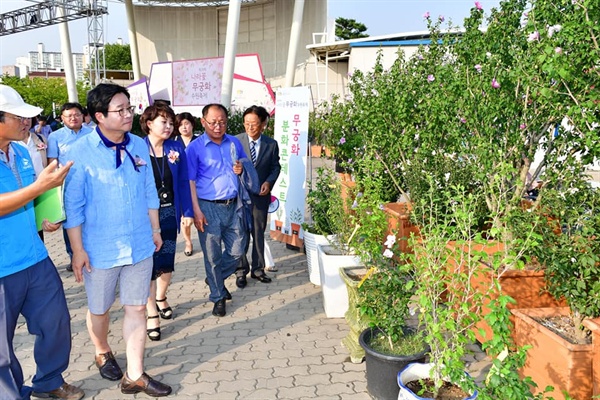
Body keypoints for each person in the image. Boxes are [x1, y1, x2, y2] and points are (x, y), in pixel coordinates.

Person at [63, 83, 171, 397]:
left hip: (139, 242)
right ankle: (101, 349)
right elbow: (74, 206)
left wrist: (154, 230)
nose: (128, 115)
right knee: (100, 309)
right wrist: (78, 251)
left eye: (129, 108)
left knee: (137, 308)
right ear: (99, 116)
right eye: (119, 110)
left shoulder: (138, 145)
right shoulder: (79, 152)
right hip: (99, 248)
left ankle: (134, 374)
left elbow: (149, 189)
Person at [0, 84, 83, 400]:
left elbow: (28, 196)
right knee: (1, 349)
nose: (27, 123)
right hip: (2, 267)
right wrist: (39, 189)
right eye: (18, 117)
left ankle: (49, 381)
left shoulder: (21, 151)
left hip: (34, 257)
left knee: (56, 322)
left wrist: (44, 217)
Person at [186, 104, 249, 317]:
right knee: (212, 255)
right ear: (203, 122)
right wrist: (196, 210)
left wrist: (241, 169)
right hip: (207, 207)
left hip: (233, 204)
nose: (218, 126)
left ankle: (215, 277)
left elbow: (243, 166)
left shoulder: (234, 142)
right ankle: (218, 296)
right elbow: (190, 181)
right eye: (213, 122)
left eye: (222, 121)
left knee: (238, 249)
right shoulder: (194, 148)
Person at [140, 103, 194, 341]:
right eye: (165, 122)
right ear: (149, 123)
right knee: (149, 265)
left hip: (170, 212)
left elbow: (184, 181)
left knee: (167, 261)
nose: (170, 126)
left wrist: (188, 211)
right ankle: (152, 312)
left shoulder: (175, 148)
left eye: (172, 122)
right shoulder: (136, 147)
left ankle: (161, 296)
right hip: (144, 217)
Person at [235, 105, 281, 287]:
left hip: (260, 196)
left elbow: (275, 167)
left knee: (258, 233)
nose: (250, 127)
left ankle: (258, 269)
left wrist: (269, 182)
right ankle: (240, 270)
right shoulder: (236, 141)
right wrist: (235, 170)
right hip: (239, 196)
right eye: (246, 123)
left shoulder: (271, 144)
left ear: (263, 124)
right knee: (240, 234)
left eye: (254, 124)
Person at [47, 102, 93, 272]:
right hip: (68, 186)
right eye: (69, 116)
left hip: (91, 183)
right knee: (70, 221)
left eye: (77, 115)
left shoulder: (92, 133)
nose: (73, 118)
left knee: (90, 217)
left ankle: (90, 251)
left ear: (83, 116)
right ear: (62, 119)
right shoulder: (55, 137)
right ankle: (73, 254)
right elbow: (52, 162)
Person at [17, 116, 49, 240]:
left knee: (38, 230)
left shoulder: (40, 139)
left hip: (39, 191)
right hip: (20, 191)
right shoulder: (10, 143)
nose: (25, 122)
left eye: (28, 118)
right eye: (20, 118)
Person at [173, 112, 198, 256]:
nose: (184, 127)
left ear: (192, 125)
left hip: (198, 184)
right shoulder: (174, 142)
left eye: (186, 123)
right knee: (185, 218)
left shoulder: (199, 141)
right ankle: (188, 241)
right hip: (181, 185)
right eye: (181, 124)